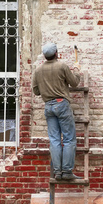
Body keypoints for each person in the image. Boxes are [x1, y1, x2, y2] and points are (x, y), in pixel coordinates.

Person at [32, 42, 81, 180]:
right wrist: (76, 69)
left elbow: (36, 91)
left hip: (48, 106)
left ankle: (57, 172)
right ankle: (66, 171)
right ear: (56, 53)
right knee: (69, 138)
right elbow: (74, 83)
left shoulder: (38, 70)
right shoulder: (62, 66)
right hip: (62, 104)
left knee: (54, 140)